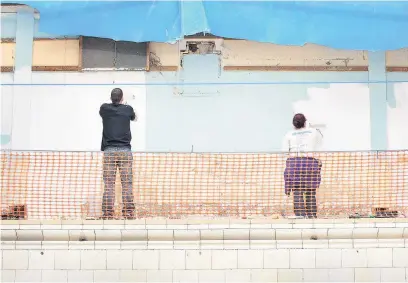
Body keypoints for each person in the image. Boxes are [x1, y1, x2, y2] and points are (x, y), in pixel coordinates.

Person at [100, 88, 137, 219]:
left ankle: (108, 214)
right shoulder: (128, 109)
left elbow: (103, 112)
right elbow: (135, 117)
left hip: (109, 151)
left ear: (111, 98)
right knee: (127, 183)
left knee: (109, 184)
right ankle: (128, 213)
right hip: (125, 151)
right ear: (121, 98)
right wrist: (124, 104)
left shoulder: (104, 108)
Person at [282, 113, 323, 218]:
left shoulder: (289, 134)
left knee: (297, 191)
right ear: (305, 122)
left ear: (293, 124)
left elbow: (285, 152)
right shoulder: (314, 132)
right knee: (310, 191)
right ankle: (312, 216)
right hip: (310, 164)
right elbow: (320, 139)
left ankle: (300, 216)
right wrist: (309, 127)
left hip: (294, 165)